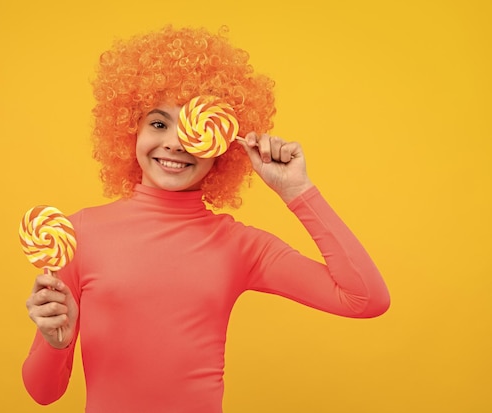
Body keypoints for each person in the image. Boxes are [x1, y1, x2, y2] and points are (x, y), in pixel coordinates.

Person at [21, 25, 390, 412]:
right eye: (159, 123)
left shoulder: (240, 246)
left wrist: (296, 192)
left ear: (223, 144)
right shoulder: (77, 234)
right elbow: (42, 392)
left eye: (197, 129)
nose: (176, 142)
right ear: (130, 129)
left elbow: (365, 299)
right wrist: (55, 342)